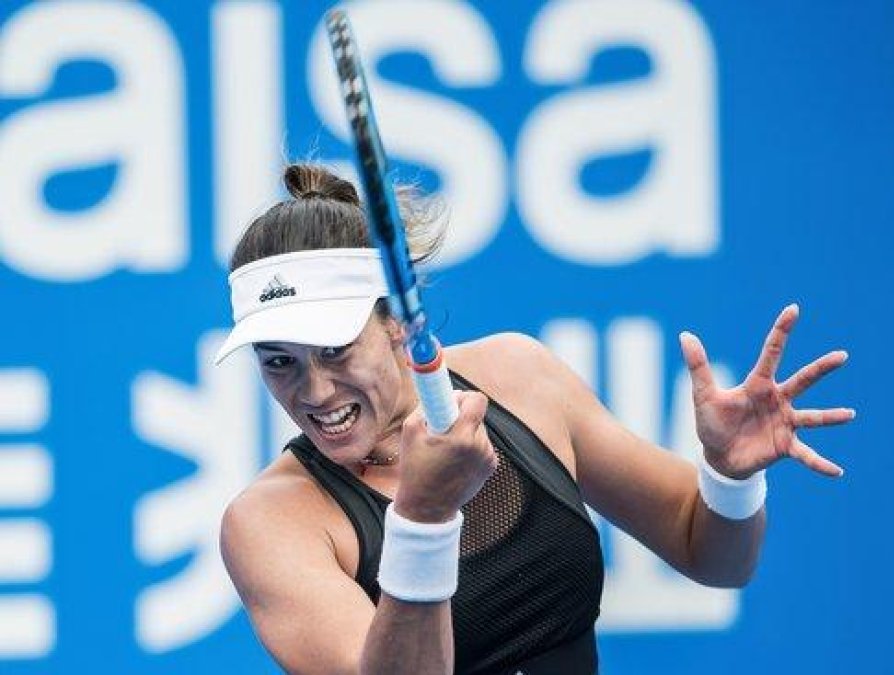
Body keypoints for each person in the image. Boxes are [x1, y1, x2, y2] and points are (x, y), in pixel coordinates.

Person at [217, 164, 855, 675]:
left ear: (393, 324)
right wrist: (424, 517)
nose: (315, 390)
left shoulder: (519, 377)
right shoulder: (270, 523)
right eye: (279, 362)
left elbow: (712, 555)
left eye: (334, 349)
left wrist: (729, 478)